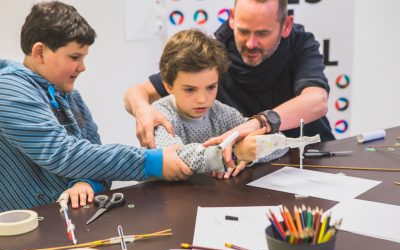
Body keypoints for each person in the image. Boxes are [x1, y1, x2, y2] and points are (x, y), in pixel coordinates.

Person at [0, 1, 191, 212]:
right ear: (39, 52)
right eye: (74, 57)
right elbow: (63, 154)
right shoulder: (8, 88)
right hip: (23, 232)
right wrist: (151, 162)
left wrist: (87, 183)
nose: (82, 67)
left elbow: (96, 157)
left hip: (66, 222)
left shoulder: (71, 96)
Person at [124, 0, 335, 159]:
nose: (251, 43)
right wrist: (143, 111)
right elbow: (136, 93)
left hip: (308, 157)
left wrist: (259, 124)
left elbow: (317, 100)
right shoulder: (214, 51)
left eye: (262, 33)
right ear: (232, 18)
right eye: (243, 31)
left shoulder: (300, 44)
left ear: (286, 25)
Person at [151, 29, 288, 178]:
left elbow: (282, 143)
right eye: (190, 89)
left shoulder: (222, 113)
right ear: (168, 86)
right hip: (170, 198)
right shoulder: (159, 114)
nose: (202, 99)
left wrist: (248, 157)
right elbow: (173, 156)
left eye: (211, 87)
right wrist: (234, 153)